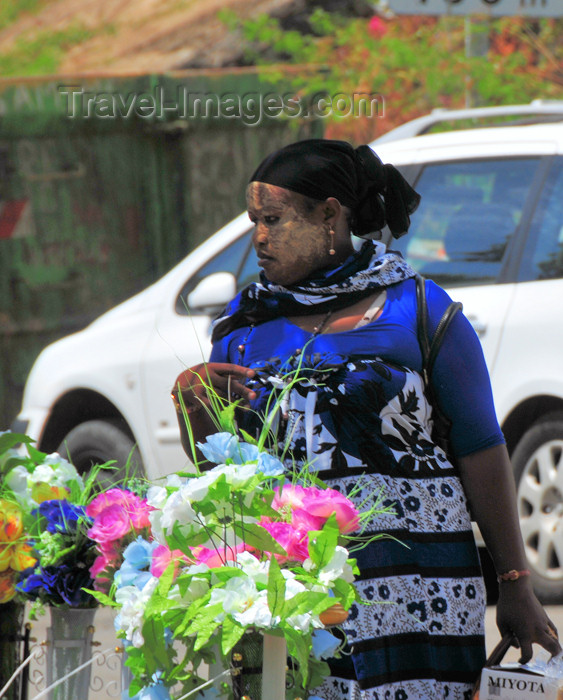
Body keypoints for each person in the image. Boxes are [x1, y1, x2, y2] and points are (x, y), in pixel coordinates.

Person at [172, 139, 560, 700]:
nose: (258, 237)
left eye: (273, 220)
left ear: (330, 215)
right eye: (254, 220)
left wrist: (517, 582)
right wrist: (191, 399)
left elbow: (480, 446)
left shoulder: (418, 310)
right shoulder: (245, 327)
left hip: (427, 588)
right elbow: (230, 471)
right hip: (306, 590)